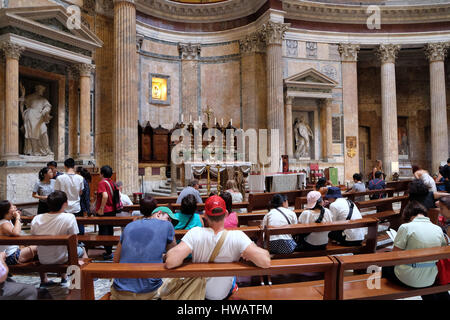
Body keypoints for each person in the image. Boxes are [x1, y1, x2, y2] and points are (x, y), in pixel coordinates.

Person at [165, 195, 270, 300]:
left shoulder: (195, 233)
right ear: (226, 214)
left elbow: (171, 261)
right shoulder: (237, 236)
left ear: (205, 215)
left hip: (199, 293)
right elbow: (265, 261)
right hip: (223, 294)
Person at [381, 201, 449, 300]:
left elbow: (395, 255)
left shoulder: (405, 227)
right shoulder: (438, 229)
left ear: (408, 215)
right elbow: (442, 251)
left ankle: (385, 294)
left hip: (409, 278)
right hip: (430, 277)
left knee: (386, 264)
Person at [110, 202, 178, 300]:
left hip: (120, 292)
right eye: (169, 219)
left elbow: (116, 259)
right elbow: (174, 258)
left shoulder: (130, 225)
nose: (169, 222)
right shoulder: (167, 225)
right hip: (149, 293)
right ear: (159, 214)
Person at [31, 191, 88, 287]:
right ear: (65, 204)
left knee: (47, 248)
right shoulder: (69, 217)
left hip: (43, 258)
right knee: (81, 249)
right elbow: (75, 241)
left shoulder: (37, 218)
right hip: (63, 258)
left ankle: (44, 280)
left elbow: (33, 237)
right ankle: (79, 280)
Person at [96, 165, 122, 260]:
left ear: (102, 173)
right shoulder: (112, 182)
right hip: (112, 210)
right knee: (110, 230)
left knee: (104, 232)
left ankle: (108, 252)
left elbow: (105, 196)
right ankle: (109, 250)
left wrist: (101, 208)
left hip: (105, 211)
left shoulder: (102, 183)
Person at [0, 201, 38, 266]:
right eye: (12, 206)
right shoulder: (4, 224)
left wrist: (15, 218)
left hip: (12, 253)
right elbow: (16, 233)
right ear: (7, 210)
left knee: (39, 247)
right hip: (11, 256)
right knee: (40, 247)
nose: (15, 207)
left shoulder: (7, 221)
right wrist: (18, 217)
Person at [54, 158, 85, 235]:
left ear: (65, 166)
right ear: (74, 166)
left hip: (64, 208)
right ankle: (79, 244)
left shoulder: (60, 178)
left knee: (64, 231)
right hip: (76, 207)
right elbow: (81, 192)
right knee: (78, 229)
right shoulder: (80, 178)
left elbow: (57, 193)